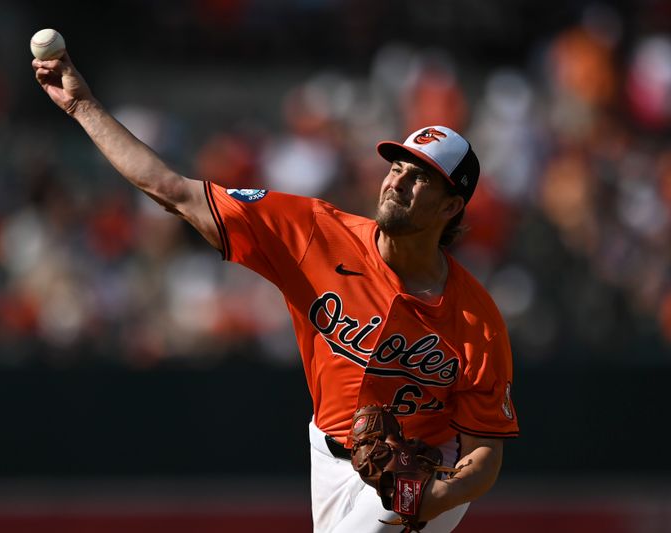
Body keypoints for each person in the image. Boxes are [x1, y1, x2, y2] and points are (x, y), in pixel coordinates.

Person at [33, 51, 519, 533]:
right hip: (328, 455)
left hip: (424, 468)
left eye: (420, 178)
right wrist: (83, 106)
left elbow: (485, 453)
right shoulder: (313, 232)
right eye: (398, 167)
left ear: (451, 207)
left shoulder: (476, 319)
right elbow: (173, 191)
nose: (398, 182)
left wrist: (432, 496)